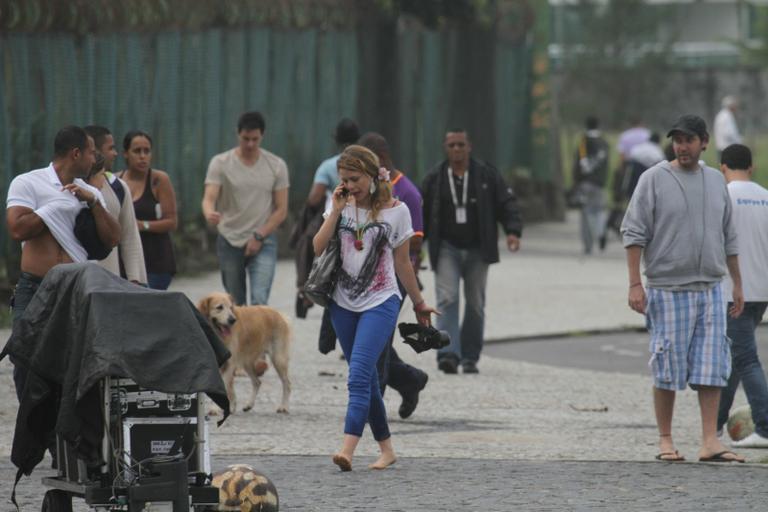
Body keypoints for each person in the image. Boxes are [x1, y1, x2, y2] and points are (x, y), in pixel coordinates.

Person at [621, 114, 746, 463]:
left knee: (712, 366)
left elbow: (729, 237)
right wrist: (635, 283)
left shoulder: (714, 181)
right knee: (667, 366)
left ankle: (710, 440)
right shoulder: (653, 179)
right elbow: (633, 233)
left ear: (704, 141)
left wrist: (737, 284)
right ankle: (665, 439)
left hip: (710, 288)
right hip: (667, 288)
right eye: (677, 140)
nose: (682, 146)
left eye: (689, 140)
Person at [312, 145, 437, 472]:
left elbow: (403, 263)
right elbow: (317, 246)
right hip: (342, 302)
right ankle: (387, 449)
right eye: (344, 180)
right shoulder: (339, 203)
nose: (349, 185)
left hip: (381, 301)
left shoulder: (397, 211)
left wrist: (419, 302)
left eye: (355, 179)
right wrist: (337, 210)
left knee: (357, 376)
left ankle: (347, 450)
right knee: (366, 379)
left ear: (372, 175)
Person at [6, 126, 120, 400]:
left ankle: (65, 434)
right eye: (92, 153)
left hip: (74, 288)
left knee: (73, 360)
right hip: (35, 287)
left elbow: (113, 239)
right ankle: (33, 426)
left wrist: (93, 203)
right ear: (76, 153)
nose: (95, 160)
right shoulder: (28, 183)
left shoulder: (88, 192)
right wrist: (54, 207)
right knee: (24, 357)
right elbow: (18, 229)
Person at [422, 129, 522, 374]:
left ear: (469, 147)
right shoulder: (435, 178)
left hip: (478, 248)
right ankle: (447, 353)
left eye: (461, 145)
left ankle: (469, 356)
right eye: (452, 145)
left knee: (476, 302)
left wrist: (513, 231)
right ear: (446, 148)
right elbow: (420, 211)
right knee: (448, 298)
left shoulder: (486, 175)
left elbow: (506, 203)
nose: (456, 149)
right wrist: (414, 243)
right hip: (446, 247)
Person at [358, 131, 429, 419]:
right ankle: (410, 380)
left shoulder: (407, 192)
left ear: (382, 159)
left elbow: (417, 240)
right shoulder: (368, 189)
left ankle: (374, 400)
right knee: (370, 339)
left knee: (377, 340)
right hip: (365, 273)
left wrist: (384, 237)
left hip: (396, 275)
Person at [202, 111, 289, 305]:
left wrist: (259, 236)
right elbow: (209, 198)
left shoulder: (276, 165)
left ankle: (260, 335)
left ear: (262, 136)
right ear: (237, 134)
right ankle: (239, 336)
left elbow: (281, 209)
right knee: (236, 304)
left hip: (263, 239)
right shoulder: (220, 163)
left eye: (255, 139)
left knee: (259, 302)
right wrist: (210, 213)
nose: (250, 144)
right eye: (245, 139)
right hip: (230, 239)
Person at [716, 143, 768, 448]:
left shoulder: (723, 197)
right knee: (734, 360)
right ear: (752, 167)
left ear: (723, 168)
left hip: (732, 290)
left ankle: (764, 425)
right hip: (762, 290)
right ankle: (715, 425)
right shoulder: (766, 197)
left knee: (745, 359)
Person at [293, 118, 360, 318]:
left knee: (308, 244)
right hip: (364, 217)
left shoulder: (329, 165)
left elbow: (314, 198)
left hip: (334, 213)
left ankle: (307, 287)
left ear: (336, 140)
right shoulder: (367, 162)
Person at [84, 125, 146, 284]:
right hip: (77, 281)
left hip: (109, 282)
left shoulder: (118, 187)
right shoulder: (68, 186)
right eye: (110, 148)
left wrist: (135, 279)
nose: (115, 153)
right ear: (94, 151)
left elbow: (130, 235)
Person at [118, 131, 178, 290]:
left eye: (147, 151)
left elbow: (171, 221)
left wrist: (141, 225)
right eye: (137, 151)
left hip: (156, 263)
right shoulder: (117, 181)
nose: (143, 156)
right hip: (126, 263)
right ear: (125, 153)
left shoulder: (159, 180)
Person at [572, 116, 609, 254]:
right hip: (600, 183)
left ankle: (588, 245)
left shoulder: (583, 141)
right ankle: (601, 233)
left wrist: (576, 179)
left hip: (586, 182)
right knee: (599, 211)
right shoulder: (604, 142)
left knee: (586, 213)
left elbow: (581, 162)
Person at [625, 132, 665, 198]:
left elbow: (631, 155)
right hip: (647, 174)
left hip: (633, 172)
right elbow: (660, 162)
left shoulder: (639, 146)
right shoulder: (658, 151)